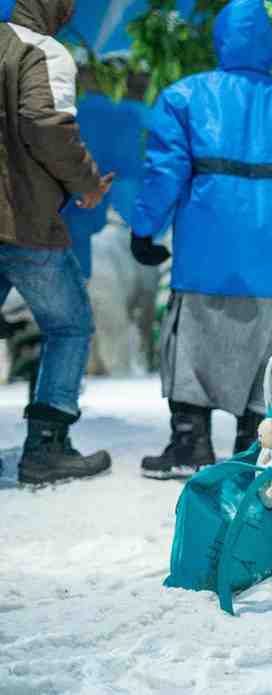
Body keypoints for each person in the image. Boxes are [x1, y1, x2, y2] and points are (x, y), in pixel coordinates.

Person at [128, 0, 272, 478]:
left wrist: (144, 228)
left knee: (191, 352)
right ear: (270, 44)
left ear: (219, 39)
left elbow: (164, 173)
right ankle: (255, 443)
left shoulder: (185, 97)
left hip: (205, 261)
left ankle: (189, 441)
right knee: (266, 358)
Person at [1, 0, 114, 485]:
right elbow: (46, 125)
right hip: (22, 221)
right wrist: (87, 184)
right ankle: (46, 448)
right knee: (69, 326)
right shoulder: (44, 52)